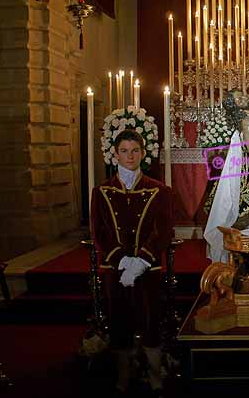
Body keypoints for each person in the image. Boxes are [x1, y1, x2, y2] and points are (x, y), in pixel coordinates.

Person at [91, 129, 173, 394]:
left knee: (151, 319)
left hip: (148, 268)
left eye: (135, 151)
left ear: (143, 153)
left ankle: (154, 373)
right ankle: (123, 375)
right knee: (120, 321)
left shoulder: (159, 190)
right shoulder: (101, 191)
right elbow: (99, 231)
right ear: (115, 154)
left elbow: (164, 229)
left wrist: (141, 261)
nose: (130, 156)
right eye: (124, 151)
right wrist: (122, 260)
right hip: (115, 268)